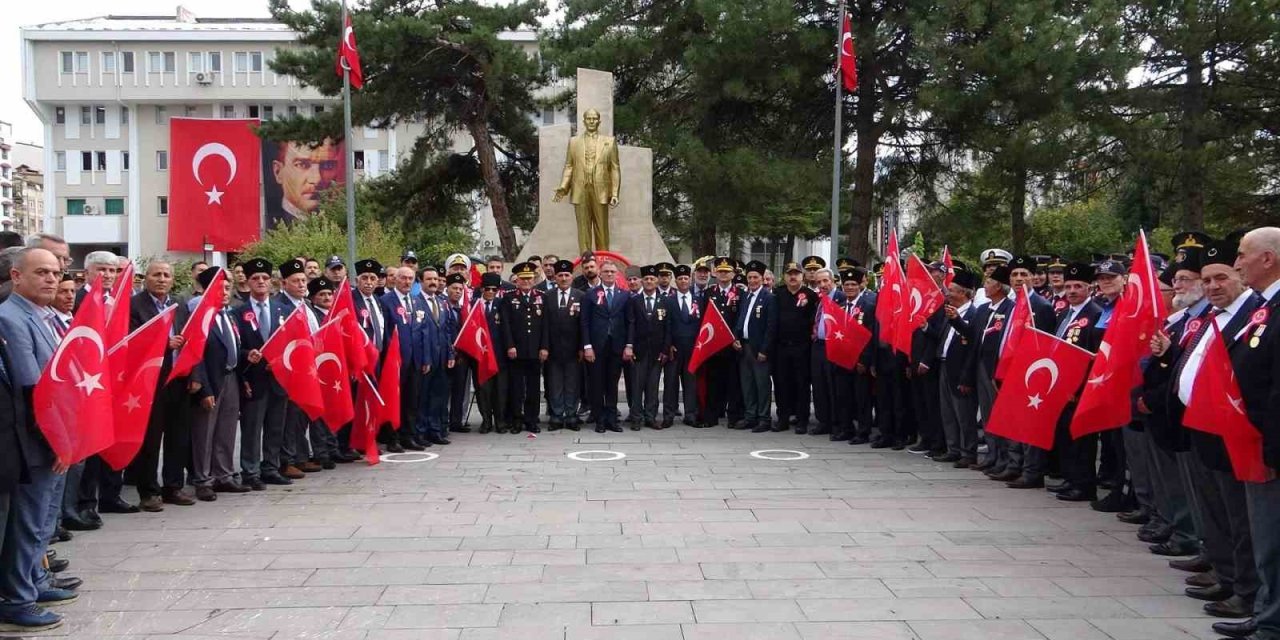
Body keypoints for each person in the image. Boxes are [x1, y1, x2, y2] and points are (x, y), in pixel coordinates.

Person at [1154, 240, 1261, 620]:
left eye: (1221, 278)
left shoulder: (1252, 313)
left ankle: (1244, 588)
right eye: (1209, 280)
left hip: (1230, 428)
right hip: (1199, 424)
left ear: (1241, 279)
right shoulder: (1215, 315)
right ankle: (1224, 569)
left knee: (1238, 515)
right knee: (1214, 508)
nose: (1214, 286)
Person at [0, 248, 81, 630]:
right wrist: (58, 440)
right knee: (29, 520)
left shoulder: (43, 316)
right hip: (38, 438)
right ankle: (19, 598)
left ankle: (34, 580)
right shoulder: (11, 318)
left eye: (55, 272)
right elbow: (33, 388)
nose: (51, 279)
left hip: (55, 431)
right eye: (41, 272)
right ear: (16, 276)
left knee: (42, 518)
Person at [1228, 226, 1280, 640]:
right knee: (1265, 537)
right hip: (1253, 438)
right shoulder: (1265, 306)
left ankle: (1271, 619)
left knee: (1272, 538)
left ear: (1268, 258)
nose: (1238, 262)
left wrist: (1271, 447)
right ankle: (1266, 612)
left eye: (1243, 254)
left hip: (1269, 443)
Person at [127, 261, 194, 508]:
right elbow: (131, 342)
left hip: (178, 379)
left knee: (178, 437)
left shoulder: (179, 304)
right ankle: (149, 492)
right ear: (147, 278)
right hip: (149, 382)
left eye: (166, 275)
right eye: (157, 274)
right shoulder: (135, 305)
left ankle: (173, 487)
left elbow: (192, 341)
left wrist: (194, 375)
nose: (162, 279)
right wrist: (164, 345)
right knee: (151, 439)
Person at [188, 269, 249, 501]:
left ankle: (224, 475)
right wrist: (204, 388)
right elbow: (195, 355)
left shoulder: (229, 314)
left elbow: (233, 346)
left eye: (227, 287)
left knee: (227, 429)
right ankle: (203, 479)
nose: (225, 292)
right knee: (205, 431)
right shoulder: (200, 316)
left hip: (231, 376)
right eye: (219, 287)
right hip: (210, 379)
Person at [1046, 263, 1105, 502]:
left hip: (1080, 388)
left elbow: (1094, 355)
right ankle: (1070, 479)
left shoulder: (1095, 314)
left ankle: (1084, 484)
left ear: (1089, 288)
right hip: (1061, 384)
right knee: (1064, 436)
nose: (1071, 290)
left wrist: (1079, 388)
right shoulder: (1065, 313)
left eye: (1077, 286)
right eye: (1068, 286)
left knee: (1081, 439)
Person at [936, 269, 980, 465]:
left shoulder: (974, 313)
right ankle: (953, 448)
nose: (948, 293)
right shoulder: (948, 311)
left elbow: (972, 342)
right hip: (945, 366)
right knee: (948, 412)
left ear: (963, 293)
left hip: (962, 369)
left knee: (964, 414)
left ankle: (968, 452)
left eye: (952, 290)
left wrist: (966, 376)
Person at [581, 261, 631, 432]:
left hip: (616, 346)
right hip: (596, 347)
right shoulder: (590, 294)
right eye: (606, 271)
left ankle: (612, 419)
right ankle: (600, 419)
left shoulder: (624, 295)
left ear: (617, 274)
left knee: (612, 383)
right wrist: (587, 346)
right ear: (600, 274)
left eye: (612, 271)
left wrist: (628, 345)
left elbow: (629, 322)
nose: (609, 274)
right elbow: (585, 322)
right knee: (597, 383)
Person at [381, 266, 428, 449]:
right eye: (403, 278)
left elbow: (423, 332)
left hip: (415, 360)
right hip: (395, 362)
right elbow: (385, 334)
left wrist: (425, 359)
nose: (407, 282)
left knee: (412, 400)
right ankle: (393, 438)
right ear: (396, 279)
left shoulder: (416, 302)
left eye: (411, 279)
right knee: (395, 400)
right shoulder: (386, 301)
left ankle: (409, 435)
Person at [500, 262, 546, 434]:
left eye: (529, 278)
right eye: (522, 279)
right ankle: (516, 419)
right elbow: (505, 325)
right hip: (516, 351)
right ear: (516, 280)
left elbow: (545, 326)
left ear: (534, 279)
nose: (526, 282)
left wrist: (544, 347)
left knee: (533, 388)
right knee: (517, 388)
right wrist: (510, 345)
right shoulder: (509, 297)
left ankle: (532, 419)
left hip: (535, 351)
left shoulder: (542, 297)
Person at [772, 261, 817, 433]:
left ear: (802, 276)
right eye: (789, 273)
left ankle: (802, 420)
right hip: (781, 348)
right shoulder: (778, 294)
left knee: (802, 385)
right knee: (782, 384)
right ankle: (783, 419)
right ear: (784, 276)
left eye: (796, 274)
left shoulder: (810, 296)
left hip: (802, 348)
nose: (792, 276)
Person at [626, 265, 671, 430]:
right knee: (637, 386)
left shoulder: (665, 301)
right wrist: (629, 346)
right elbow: (630, 324)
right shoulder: (634, 301)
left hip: (657, 352)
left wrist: (665, 350)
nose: (649, 281)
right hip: (639, 350)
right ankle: (636, 418)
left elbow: (668, 327)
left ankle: (650, 417)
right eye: (646, 279)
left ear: (657, 280)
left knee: (653, 387)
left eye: (652, 279)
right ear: (642, 281)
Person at [415, 266, 454, 445]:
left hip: (442, 358)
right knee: (423, 397)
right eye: (429, 279)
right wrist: (425, 359)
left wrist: (450, 354)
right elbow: (418, 335)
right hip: (426, 360)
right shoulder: (416, 303)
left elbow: (447, 331)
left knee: (439, 396)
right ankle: (421, 432)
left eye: (436, 279)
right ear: (421, 281)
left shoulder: (441, 302)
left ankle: (435, 430)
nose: (433, 282)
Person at [544, 260, 583, 431]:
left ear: (572, 276)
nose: (564, 278)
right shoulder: (547, 296)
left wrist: (583, 347)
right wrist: (544, 347)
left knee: (572, 384)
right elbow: (543, 325)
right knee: (555, 384)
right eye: (560, 275)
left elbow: (584, 325)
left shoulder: (581, 296)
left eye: (567, 275)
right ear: (556, 277)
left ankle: (571, 415)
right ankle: (557, 416)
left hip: (574, 349)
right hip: (553, 349)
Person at [736, 261, 774, 433]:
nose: (752, 280)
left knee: (762, 384)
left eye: (755, 277)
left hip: (759, 349)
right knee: (747, 383)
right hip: (744, 346)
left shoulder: (769, 298)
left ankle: (764, 418)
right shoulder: (745, 296)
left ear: (762, 279)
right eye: (749, 277)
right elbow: (741, 320)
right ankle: (750, 416)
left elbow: (771, 327)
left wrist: (765, 350)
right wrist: (735, 338)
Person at [267, 139, 341, 226]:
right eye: (302, 165)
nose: (316, 179)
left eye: (328, 166)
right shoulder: (272, 225)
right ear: (278, 172)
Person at [663, 265, 701, 427]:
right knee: (670, 382)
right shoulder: (668, 300)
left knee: (690, 383)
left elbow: (703, 325)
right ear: (676, 281)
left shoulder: (699, 300)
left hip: (693, 348)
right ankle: (669, 415)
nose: (683, 281)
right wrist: (668, 345)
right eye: (680, 279)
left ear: (690, 279)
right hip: (675, 349)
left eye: (686, 278)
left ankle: (691, 414)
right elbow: (666, 325)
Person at [472, 273, 509, 434]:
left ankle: (500, 421)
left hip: (499, 355)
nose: (491, 292)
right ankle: (486, 421)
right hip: (481, 356)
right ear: (482, 289)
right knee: (483, 391)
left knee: (500, 391)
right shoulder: (474, 305)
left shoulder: (502, 304)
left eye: (495, 289)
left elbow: (508, 329)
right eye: (488, 289)